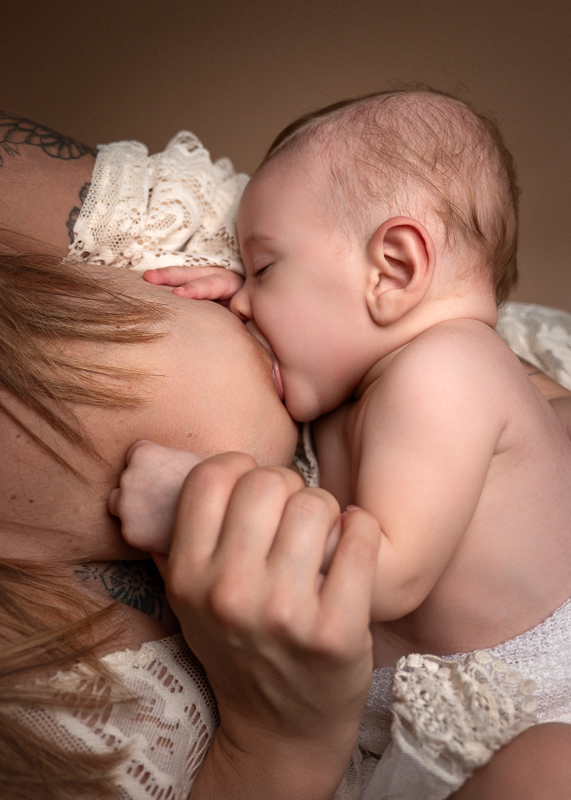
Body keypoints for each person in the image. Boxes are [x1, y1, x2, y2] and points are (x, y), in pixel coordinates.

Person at [2, 104, 571, 800]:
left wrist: (193, 504)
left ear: (393, 268)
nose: (244, 301)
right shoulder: (369, 386)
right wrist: (252, 305)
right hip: (422, 734)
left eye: (264, 266)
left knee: (552, 769)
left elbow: (385, 573)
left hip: (528, 708)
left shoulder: (447, 372)